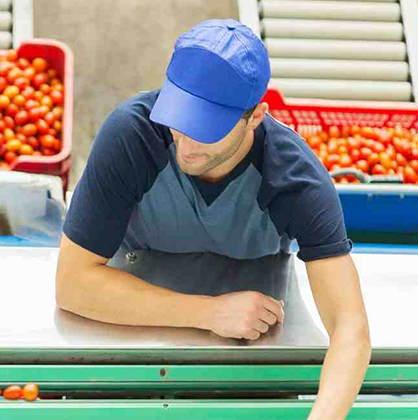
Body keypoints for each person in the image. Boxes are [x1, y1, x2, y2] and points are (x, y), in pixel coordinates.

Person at [55, 20, 370, 419]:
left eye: (206, 129)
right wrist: (208, 312)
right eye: (178, 118)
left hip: (253, 349)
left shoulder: (295, 180)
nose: (184, 144)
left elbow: (350, 328)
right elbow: (73, 284)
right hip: (121, 324)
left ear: (255, 116)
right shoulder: (133, 136)